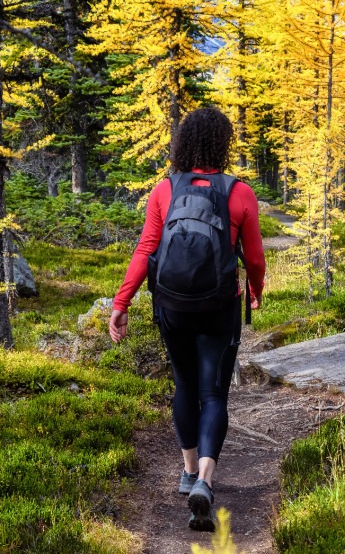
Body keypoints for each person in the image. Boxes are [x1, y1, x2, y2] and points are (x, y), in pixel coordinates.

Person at [109, 107, 266, 532]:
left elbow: (145, 250)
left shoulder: (164, 190)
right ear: (223, 143)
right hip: (219, 305)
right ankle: (205, 481)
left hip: (172, 305)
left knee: (184, 385)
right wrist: (255, 291)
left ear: (183, 143)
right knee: (214, 394)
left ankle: (186, 469)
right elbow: (253, 258)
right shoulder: (240, 193)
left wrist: (121, 304)